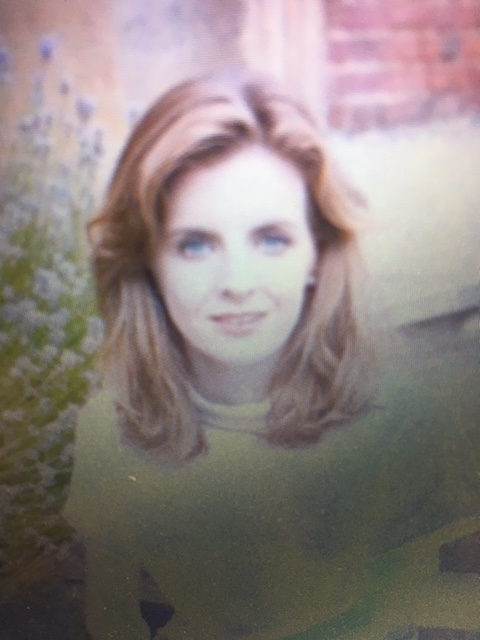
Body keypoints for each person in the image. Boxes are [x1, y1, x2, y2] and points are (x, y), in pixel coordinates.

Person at [64, 71, 480, 640]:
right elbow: (113, 616)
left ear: (317, 251)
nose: (237, 283)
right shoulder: (113, 432)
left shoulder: (399, 416)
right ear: (148, 264)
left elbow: (425, 604)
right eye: (194, 244)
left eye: (272, 239)